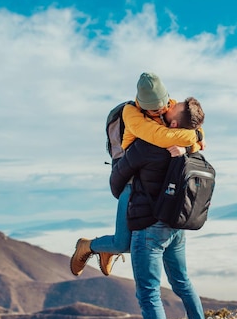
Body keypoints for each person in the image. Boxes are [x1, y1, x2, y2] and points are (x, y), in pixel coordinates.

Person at [110, 98, 216, 319]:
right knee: (182, 282)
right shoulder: (188, 148)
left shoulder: (147, 144)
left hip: (149, 229)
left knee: (148, 294)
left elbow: (117, 178)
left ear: (172, 123)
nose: (170, 103)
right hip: (176, 226)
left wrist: (122, 192)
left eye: (174, 106)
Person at [70, 73, 204, 277]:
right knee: (125, 243)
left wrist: (191, 144)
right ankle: (88, 246)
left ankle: (106, 250)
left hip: (152, 185)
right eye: (154, 109)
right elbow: (161, 137)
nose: (161, 111)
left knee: (134, 244)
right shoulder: (131, 114)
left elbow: (192, 129)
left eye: (164, 106)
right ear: (142, 104)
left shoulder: (171, 106)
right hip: (131, 181)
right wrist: (195, 137)